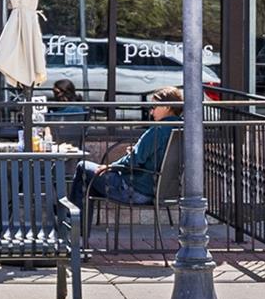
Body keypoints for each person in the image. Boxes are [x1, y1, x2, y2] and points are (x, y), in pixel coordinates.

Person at [70, 86, 182, 220]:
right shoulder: (182, 129)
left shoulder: (158, 130)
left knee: (83, 167)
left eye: (154, 107)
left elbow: (134, 160)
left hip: (136, 190)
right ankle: (78, 228)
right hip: (163, 191)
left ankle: (74, 226)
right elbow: (151, 156)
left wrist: (110, 166)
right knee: (90, 181)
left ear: (167, 107)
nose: (152, 112)